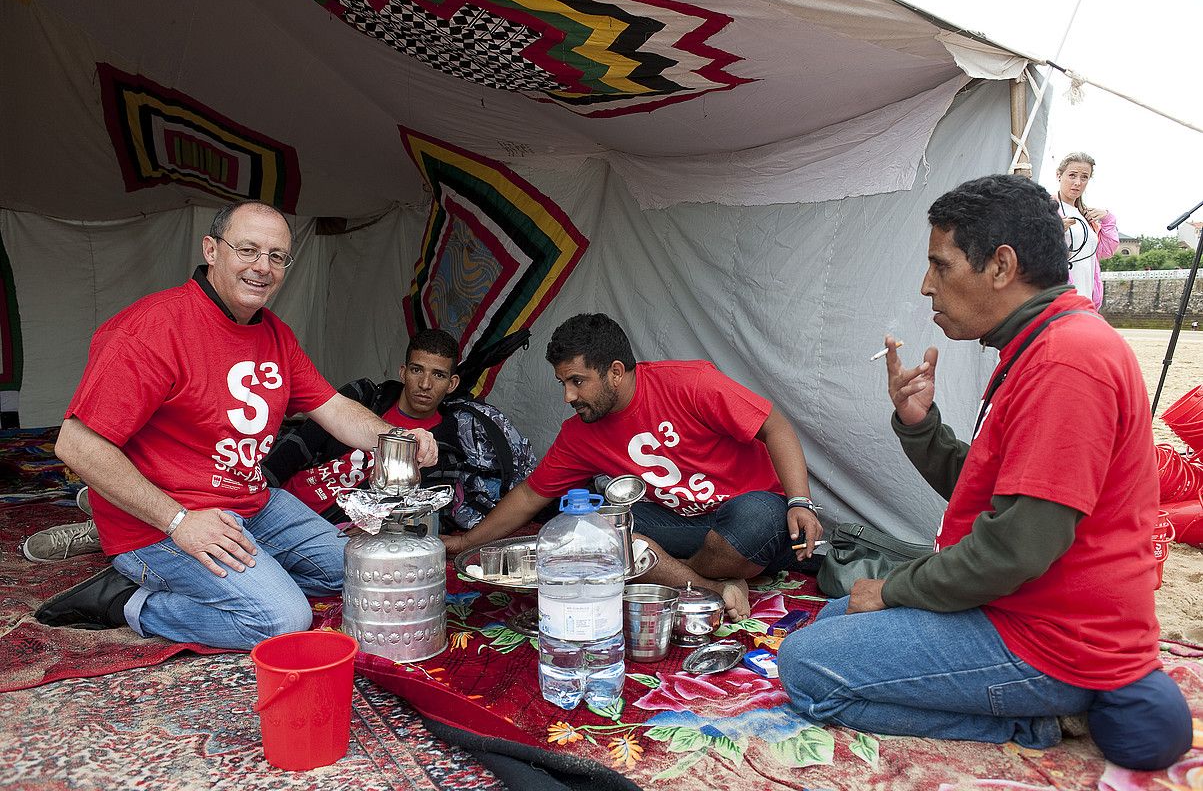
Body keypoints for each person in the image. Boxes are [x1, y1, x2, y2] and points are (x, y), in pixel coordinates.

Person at [777, 174, 1191, 771]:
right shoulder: (1041, 345)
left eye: (940, 267)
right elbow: (997, 494)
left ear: (1001, 266)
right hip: (1028, 609)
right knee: (837, 614)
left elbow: (1014, 550)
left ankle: (1035, 717)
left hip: (1049, 638)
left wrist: (895, 588)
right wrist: (920, 426)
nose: (927, 287)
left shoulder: (1067, 364)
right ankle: (1034, 702)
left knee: (808, 664)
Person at [34, 201, 437, 650]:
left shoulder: (275, 335)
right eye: (247, 250)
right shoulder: (151, 329)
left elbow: (335, 409)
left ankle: (249, 578)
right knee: (283, 619)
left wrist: (397, 439)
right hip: (163, 522)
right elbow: (76, 445)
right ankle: (128, 600)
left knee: (369, 573)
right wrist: (178, 520)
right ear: (211, 250)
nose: (262, 268)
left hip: (251, 503)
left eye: (277, 256)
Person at [441, 312, 824, 620]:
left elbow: (775, 426)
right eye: (563, 382)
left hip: (752, 519)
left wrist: (800, 502)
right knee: (597, 528)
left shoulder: (691, 383)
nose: (568, 396)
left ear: (616, 371)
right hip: (684, 526)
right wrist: (466, 543)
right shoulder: (581, 432)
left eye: (577, 381)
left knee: (753, 519)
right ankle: (716, 585)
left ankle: (684, 574)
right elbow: (529, 495)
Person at [260, 327, 535, 529]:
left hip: (326, 528)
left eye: (438, 375)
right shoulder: (365, 398)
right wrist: (256, 488)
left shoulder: (443, 446)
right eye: (417, 370)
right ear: (403, 372)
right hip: (278, 499)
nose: (425, 384)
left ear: (452, 384)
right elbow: (299, 443)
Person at [1054, 152, 1118, 311]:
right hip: (1059, 298)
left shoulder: (1087, 216)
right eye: (1072, 175)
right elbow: (1031, 249)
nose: (1077, 182)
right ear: (1059, 175)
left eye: (1084, 177)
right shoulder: (1047, 209)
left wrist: (1108, 220)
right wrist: (1053, 231)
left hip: (1087, 299)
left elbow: (1106, 251)